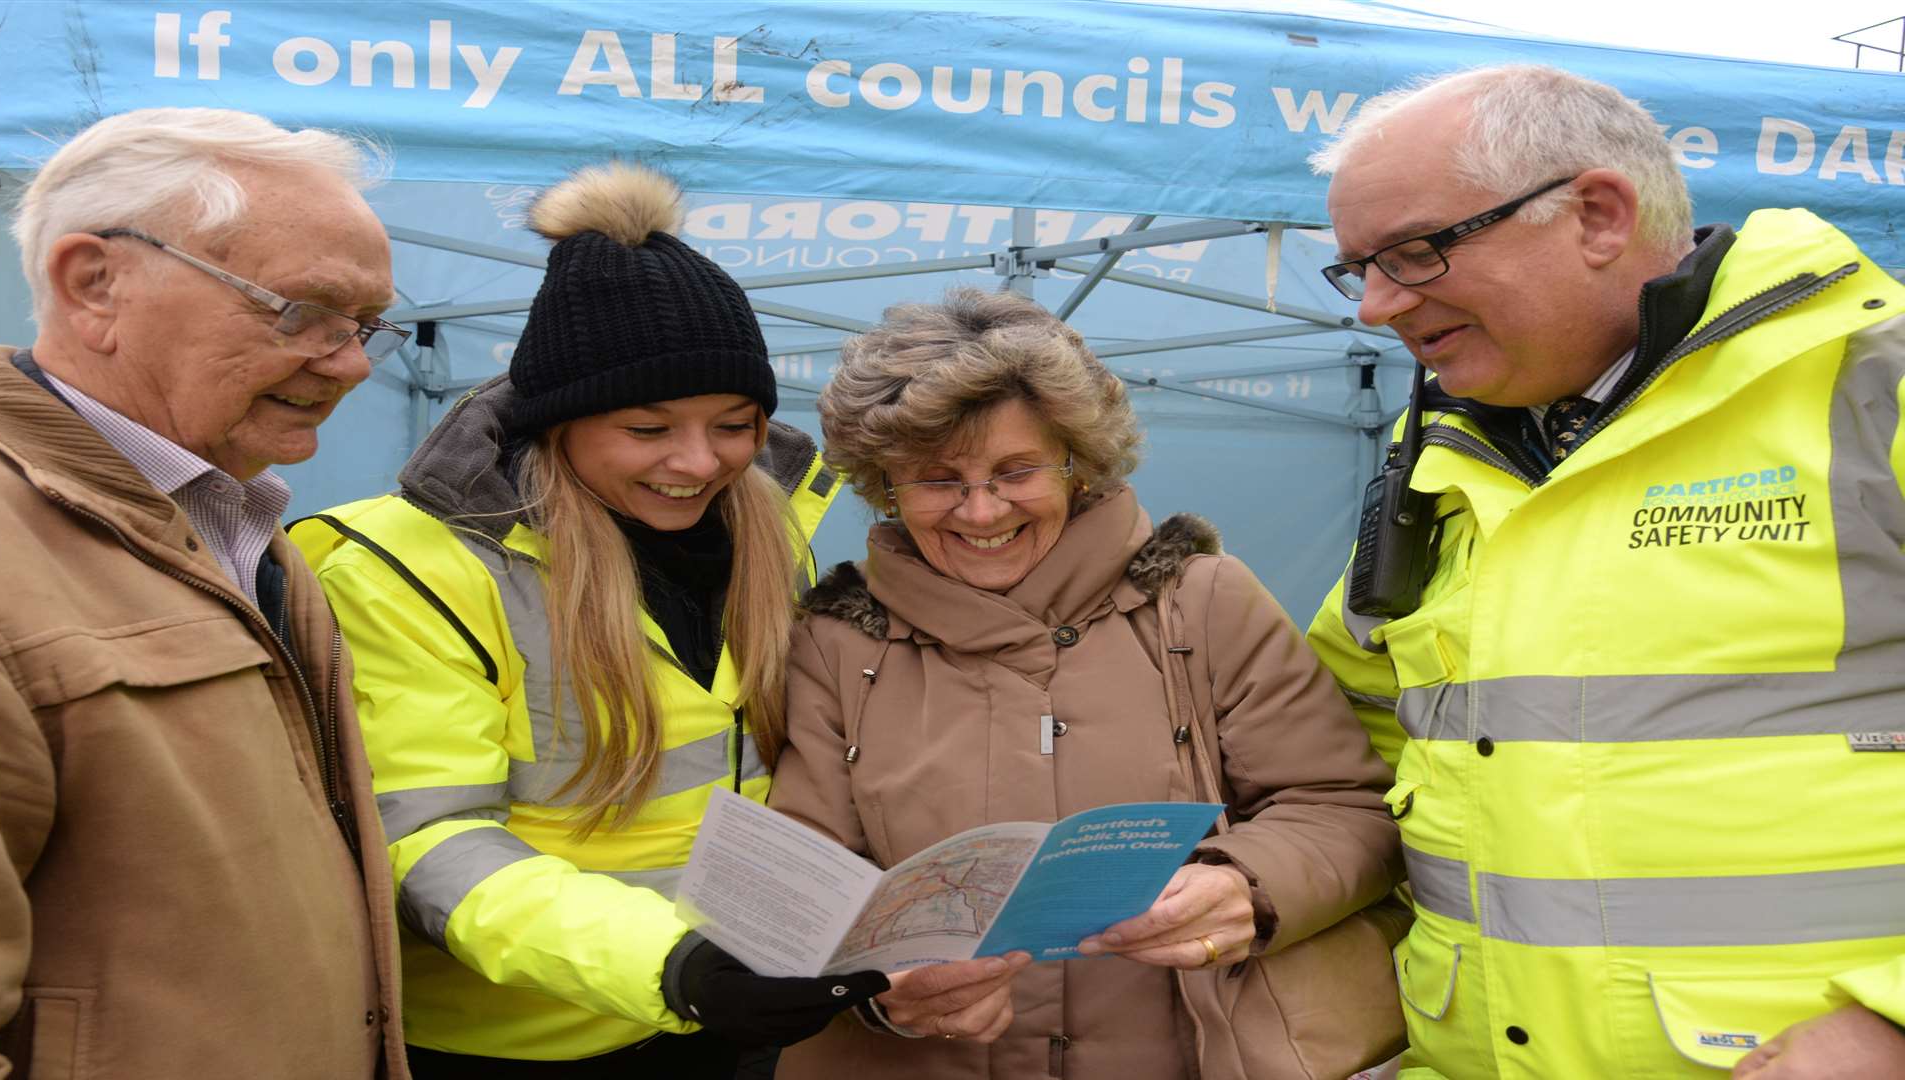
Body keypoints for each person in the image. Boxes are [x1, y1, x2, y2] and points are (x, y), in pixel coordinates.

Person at [293, 164, 995, 1078]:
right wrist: (673, 964)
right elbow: (425, 836)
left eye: (735, 424)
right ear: (559, 422)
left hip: (727, 1006)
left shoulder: (771, 531)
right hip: (519, 1036)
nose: (699, 463)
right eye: (649, 428)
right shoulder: (407, 565)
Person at [1304, 63, 1905, 1079]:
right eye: (1357, 268)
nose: (1374, 308)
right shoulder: (1434, 468)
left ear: (1595, 215)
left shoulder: (1871, 384)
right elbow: (1330, 749)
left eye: (1410, 253)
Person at [765, 287, 1405, 1079]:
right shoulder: (834, 641)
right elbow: (798, 875)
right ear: (884, 486)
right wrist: (877, 988)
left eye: (1016, 469)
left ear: (1078, 465)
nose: (980, 510)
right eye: (937, 479)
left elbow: (1344, 805)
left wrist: (1248, 884)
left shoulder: (1201, 602)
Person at [0, 108, 411, 1078]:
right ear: (95, 284)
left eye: (367, 326)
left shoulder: (247, 530)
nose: (349, 363)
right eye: (303, 312)